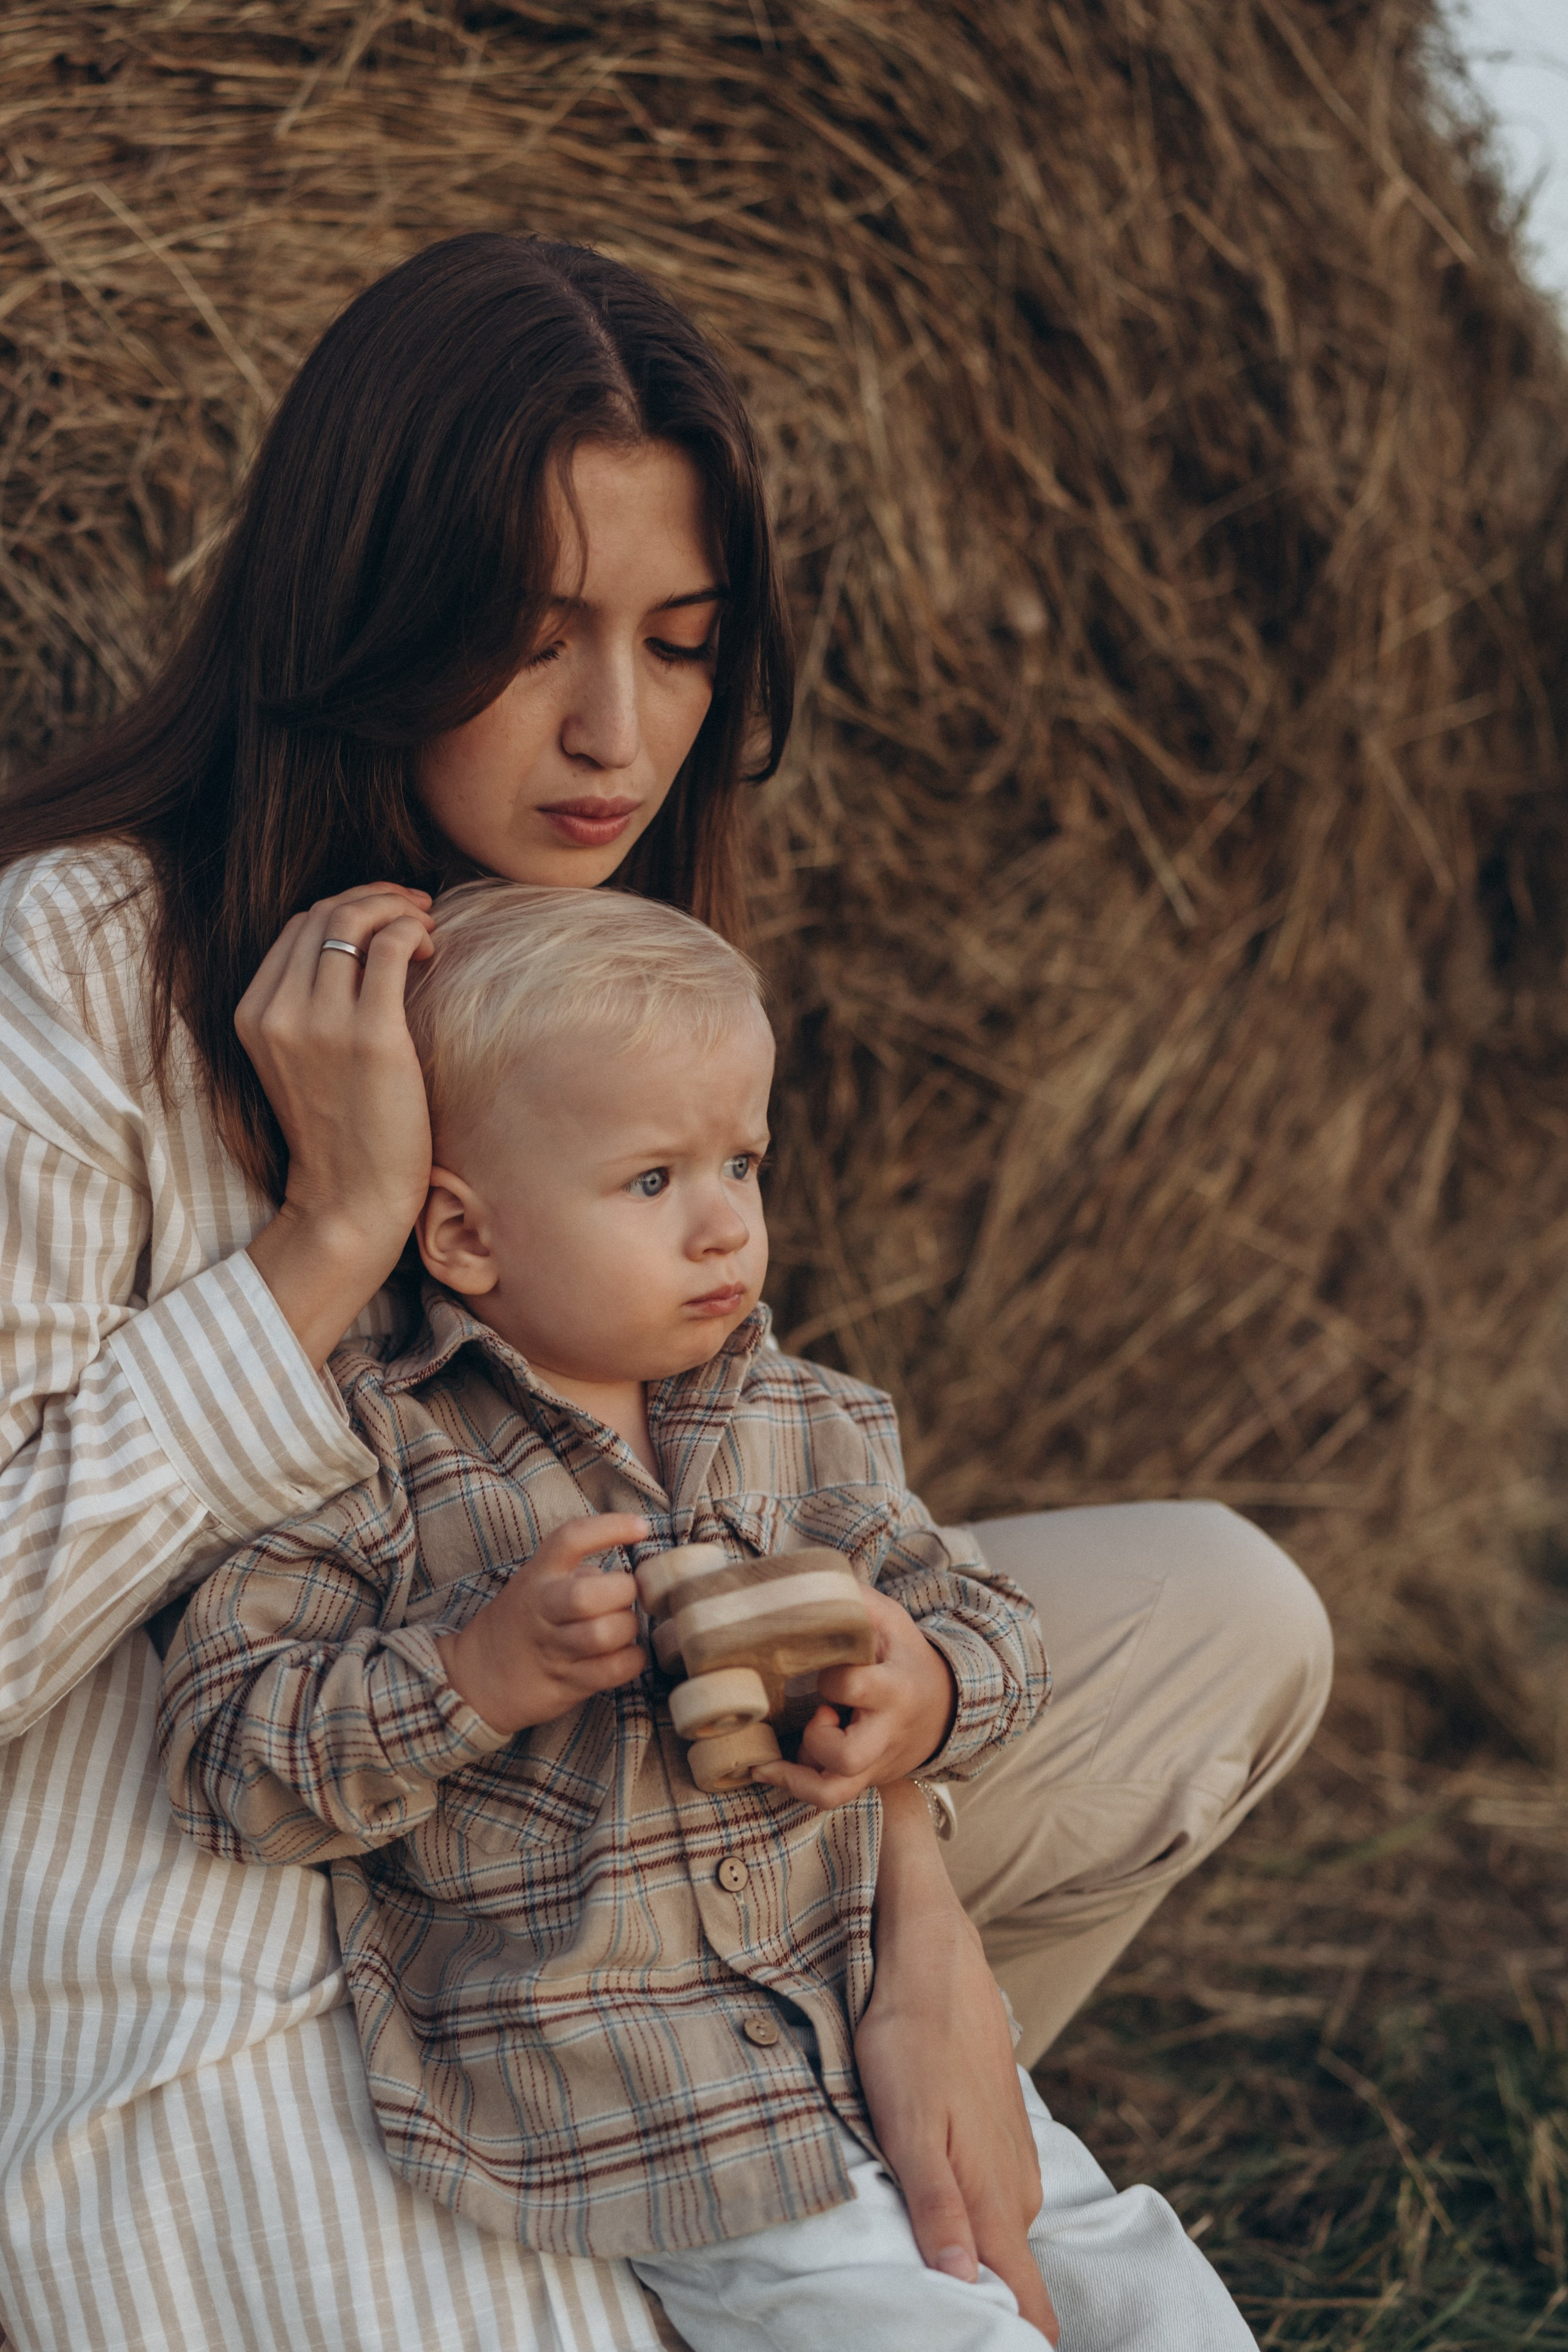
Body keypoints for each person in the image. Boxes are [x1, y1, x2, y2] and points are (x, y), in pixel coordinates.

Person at [0, 230, 1331, 2352]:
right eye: (529, 642)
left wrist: (919, 1922)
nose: (617, 736)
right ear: (364, 613)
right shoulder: (77, 968)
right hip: (230, 1862)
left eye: (685, 646)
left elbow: (757, 1493)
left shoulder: (599, 957)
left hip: (626, 1822)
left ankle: (789, 2093)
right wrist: (327, 1242)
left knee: (1224, 1613)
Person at [159, 880, 1256, 2352]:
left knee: (1146, 2291)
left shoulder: (804, 1418)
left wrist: (923, 1686)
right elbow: (228, 1758)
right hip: (646, 2110)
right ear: (465, 1235)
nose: (722, 1225)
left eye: (741, 1160)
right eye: (649, 1180)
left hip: (863, 2009)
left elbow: (979, 1612)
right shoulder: (369, 1457)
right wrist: (474, 1672)